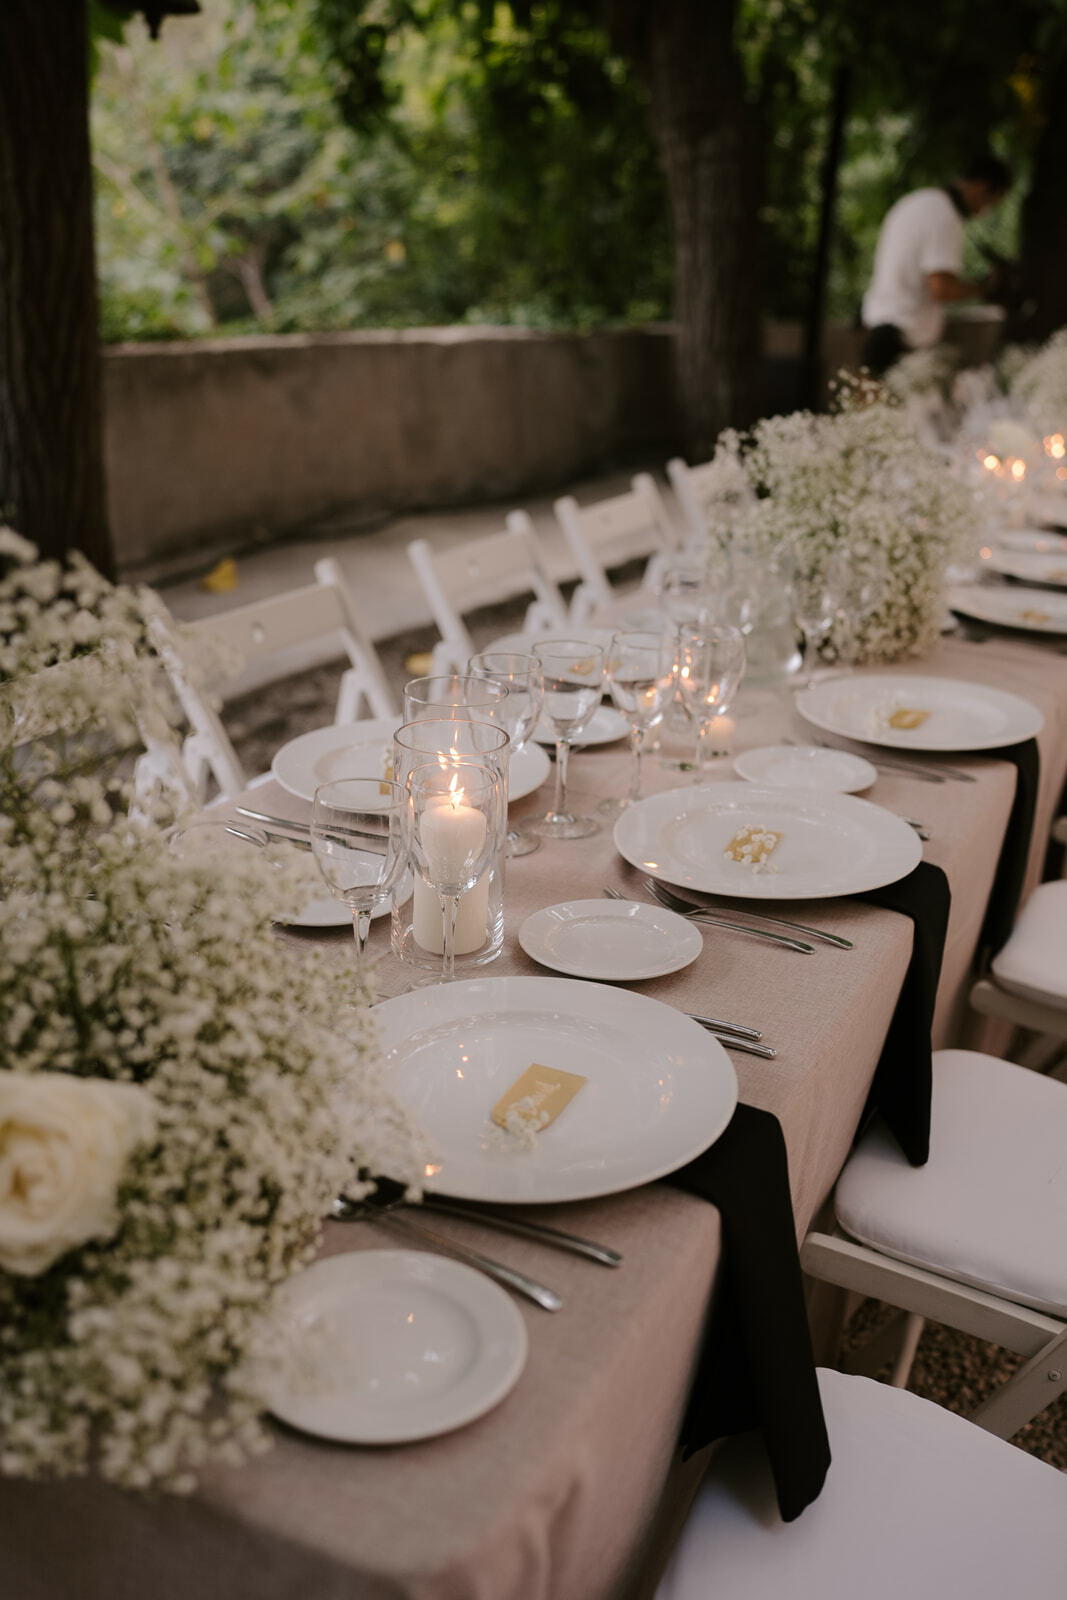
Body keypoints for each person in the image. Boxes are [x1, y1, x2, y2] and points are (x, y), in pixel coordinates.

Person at [860, 154, 1012, 376]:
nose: (983, 212)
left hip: (876, 326)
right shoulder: (945, 215)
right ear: (981, 187)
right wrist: (984, 287)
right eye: (989, 203)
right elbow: (942, 289)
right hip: (899, 339)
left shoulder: (920, 201)